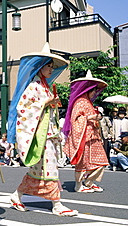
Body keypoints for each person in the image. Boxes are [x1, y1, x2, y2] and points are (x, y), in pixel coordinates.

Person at [7, 43, 78, 216]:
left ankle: (17, 195)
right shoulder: (34, 86)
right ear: (41, 66)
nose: (51, 69)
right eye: (49, 65)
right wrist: (46, 102)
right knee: (50, 168)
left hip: (47, 133)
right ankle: (57, 205)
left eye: (52, 66)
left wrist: (51, 103)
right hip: (41, 134)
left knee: (38, 170)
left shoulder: (44, 86)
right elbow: (23, 108)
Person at [63, 70, 108, 193]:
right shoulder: (80, 101)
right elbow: (75, 118)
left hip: (93, 135)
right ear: (88, 89)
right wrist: (92, 117)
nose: (95, 93)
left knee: (100, 160)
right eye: (94, 90)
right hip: (84, 135)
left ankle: (89, 182)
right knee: (83, 161)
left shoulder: (88, 102)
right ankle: (79, 184)